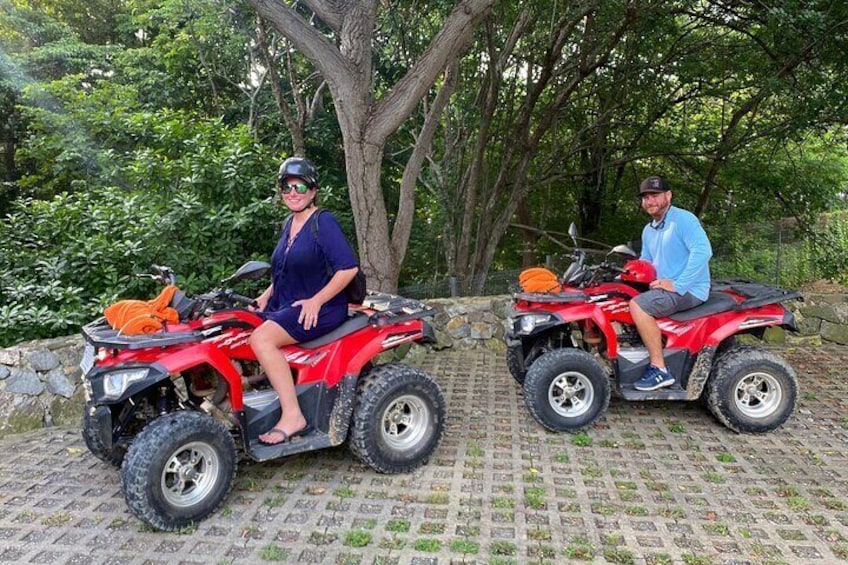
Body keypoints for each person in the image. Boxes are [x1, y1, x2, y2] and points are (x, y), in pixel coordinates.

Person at [249, 157, 359, 445]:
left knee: (262, 340)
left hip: (319, 309)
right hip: (287, 303)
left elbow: (348, 268)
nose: (293, 192)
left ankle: (293, 415)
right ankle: (256, 389)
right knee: (236, 325)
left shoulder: (323, 221)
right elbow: (286, 268)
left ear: (312, 190)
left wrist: (316, 301)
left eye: (299, 186)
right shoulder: (289, 222)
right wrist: (265, 295)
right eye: (287, 186)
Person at [629, 176, 712, 391]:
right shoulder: (649, 230)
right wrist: (627, 274)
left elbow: (703, 251)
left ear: (668, 195)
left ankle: (659, 369)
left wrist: (678, 284)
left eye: (655, 195)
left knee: (638, 306)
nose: (650, 201)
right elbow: (646, 263)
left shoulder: (683, 220)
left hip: (691, 289)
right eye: (646, 197)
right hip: (663, 286)